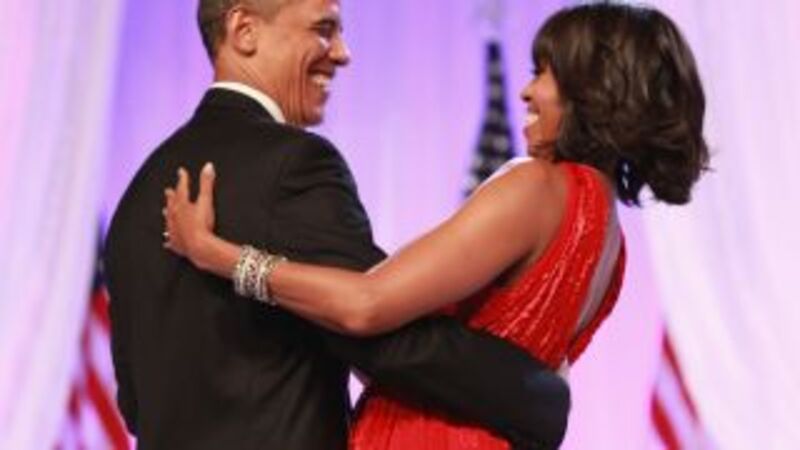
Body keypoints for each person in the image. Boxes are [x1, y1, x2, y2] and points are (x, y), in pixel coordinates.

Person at [162, 2, 710, 449]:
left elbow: (366, 304)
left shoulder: (538, 186)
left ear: (595, 92)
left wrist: (220, 256)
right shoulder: (611, 238)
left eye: (542, 73)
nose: (526, 92)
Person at [105, 0, 571, 449]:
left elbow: (135, 406)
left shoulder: (140, 191)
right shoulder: (293, 163)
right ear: (244, 31)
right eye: (323, 29)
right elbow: (385, 334)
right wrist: (534, 392)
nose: (343, 53)